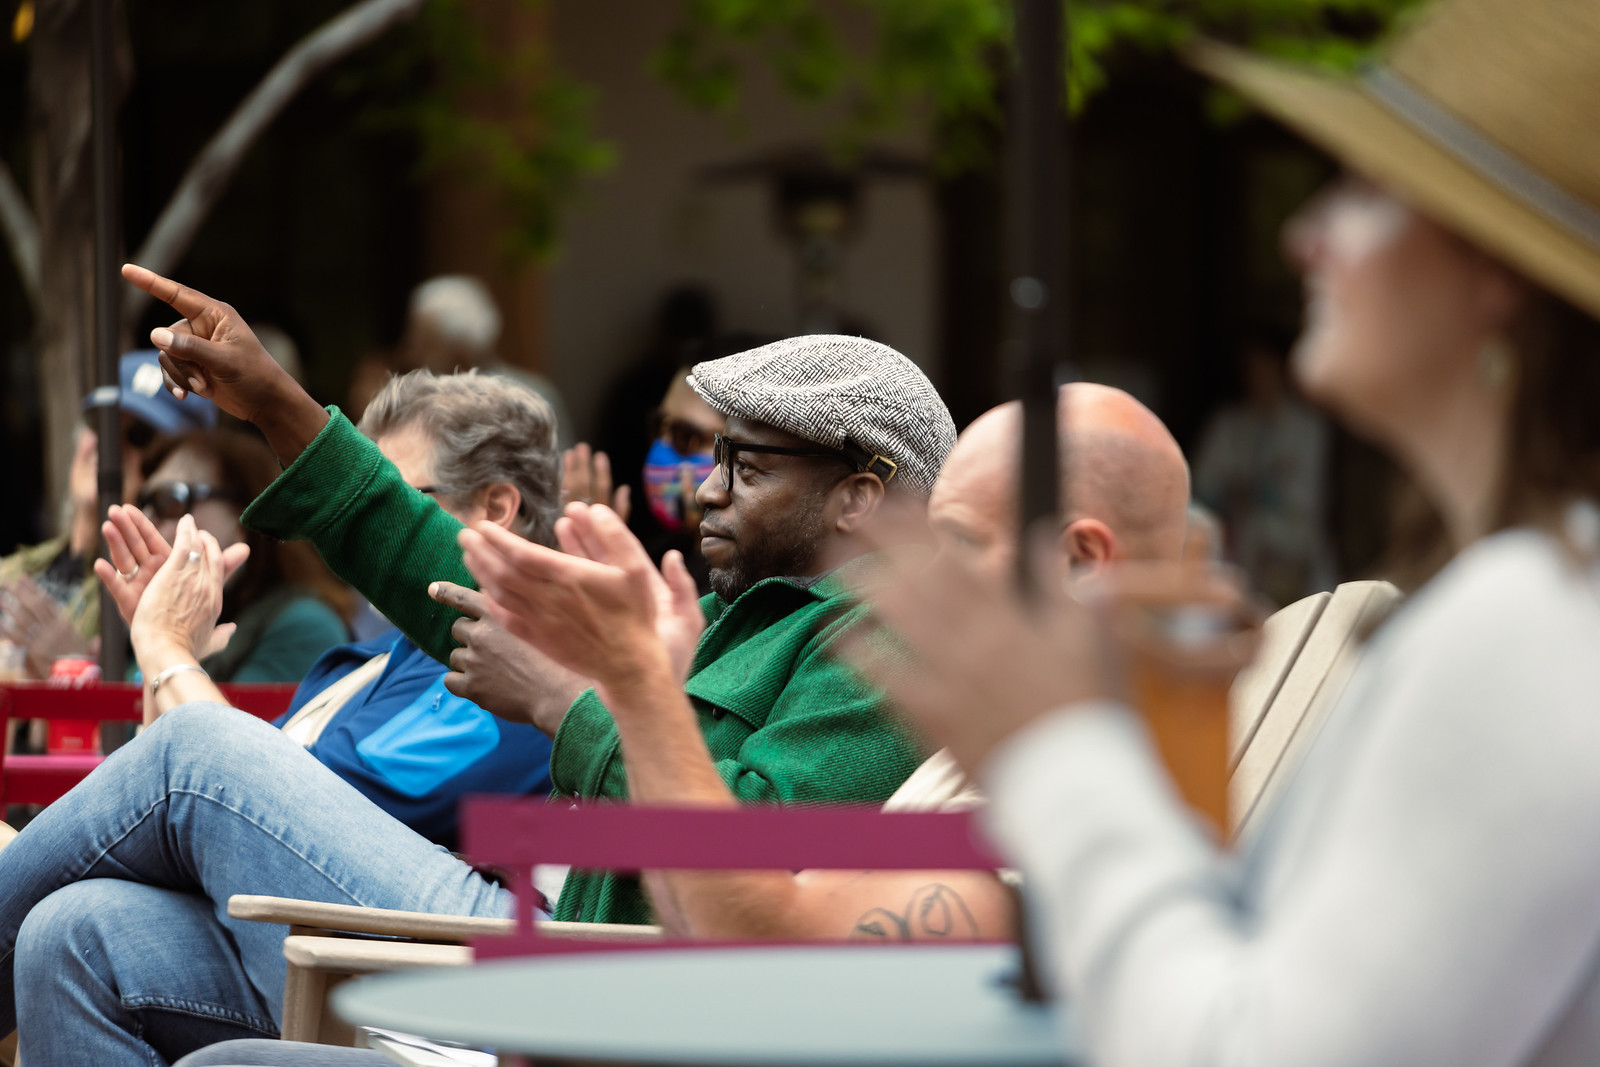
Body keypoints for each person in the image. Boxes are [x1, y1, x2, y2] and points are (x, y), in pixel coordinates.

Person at [838, 1, 1600, 1065]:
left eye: (1368, 188)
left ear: (1494, 274)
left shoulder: (1534, 622)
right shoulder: (1539, 599)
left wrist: (1054, 748)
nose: (1302, 237)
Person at [0, 306, 951, 1063]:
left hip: (589, 979)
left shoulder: (893, 643)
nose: (706, 489)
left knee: (199, 756)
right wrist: (276, 403)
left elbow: (758, 858)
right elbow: (442, 565)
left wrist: (564, 706)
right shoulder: (742, 611)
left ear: (862, 492)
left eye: (746, 464)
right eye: (713, 459)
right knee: (78, 933)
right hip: (551, 942)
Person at [459, 380, 1191, 943]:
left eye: (959, 547)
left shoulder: (1085, 802)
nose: (922, 585)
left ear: (1081, 563)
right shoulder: (1010, 756)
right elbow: (699, 911)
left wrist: (639, 686)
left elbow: (753, 935)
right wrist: (656, 689)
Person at [98, 368, 563, 849]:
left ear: (495, 509)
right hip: (251, 914)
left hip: (332, 922)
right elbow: (181, 816)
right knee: (74, 910)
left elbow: (267, 818)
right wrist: (161, 645)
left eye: (392, 503)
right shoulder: (369, 660)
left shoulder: (509, 676)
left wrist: (165, 645)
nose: (357, 536)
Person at [0, 351, 216, 680]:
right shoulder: (15, 568)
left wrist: (74, 669)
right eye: (100, 425)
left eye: (139, 436)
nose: (109, 446)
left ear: (176, 467)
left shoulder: (169, 599)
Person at [133, 430, 351, 682]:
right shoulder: (155, 613)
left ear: (244, 512)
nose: (147, 519)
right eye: (144, 501)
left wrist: (164, 644)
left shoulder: (305, 626)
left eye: (171, 499)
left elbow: (209, 722)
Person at [1193, 332, 1335, 605]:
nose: (1257, 377)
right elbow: (1204, 485)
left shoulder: (1306, 428)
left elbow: (1309, 498)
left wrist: (1262, 492)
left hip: (1294, 553)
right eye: (1251, 369)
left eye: (1264, 368)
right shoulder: (1229, 425)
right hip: (1238, 552)